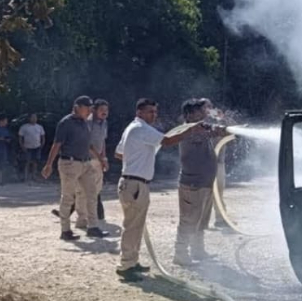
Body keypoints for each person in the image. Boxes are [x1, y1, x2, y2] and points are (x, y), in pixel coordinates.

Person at [114, 99, 208, 281]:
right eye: (150, 112)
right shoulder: (141, 129)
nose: (153, 115)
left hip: (132, 183)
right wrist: (192, 129)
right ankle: (126, 266)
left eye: (155, 112)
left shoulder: (132, 128)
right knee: (132, 227)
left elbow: (119, 153)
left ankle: (132, 262)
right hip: (135, 184)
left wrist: (136, 158)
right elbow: (167, 141)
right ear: (139, 112)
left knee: (135, 226)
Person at [42, 96, 107, 241]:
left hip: (85, 163)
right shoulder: (66, 123)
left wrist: (101, 159)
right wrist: (48, 164)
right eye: (87, 107)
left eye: (91, 107)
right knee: (68, 197)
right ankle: (65, 231)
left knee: (92, 194)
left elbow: (89, 145)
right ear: (77, 107)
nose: (90, 110)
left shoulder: (84, 123)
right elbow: (57, 144)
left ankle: (93, 227)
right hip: (69, 164)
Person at [174, 98, 226, 266]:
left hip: (205, 182)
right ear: (189, 114)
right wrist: (218, 129)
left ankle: (198, 251)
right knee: (189, 220)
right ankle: (180, 254)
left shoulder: (201, 128)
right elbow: (209, 133)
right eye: (199, 111)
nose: (204, 114)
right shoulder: (187, 130)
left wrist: (223, 124)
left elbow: (216, 131)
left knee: (202, 219)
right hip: (193, 184)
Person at [87, 99, 111, 222]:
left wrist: (104, 158)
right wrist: (100, 158)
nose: (104, 112)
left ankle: (95, 212)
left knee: (97, 186)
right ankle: (93, 214)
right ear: (95, 110)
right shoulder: (89, 122)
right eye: (101, 110)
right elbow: (88, 144)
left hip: (98, 159)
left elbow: (103, 142)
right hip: (88, 159)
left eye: (106, 110)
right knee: (89, 187)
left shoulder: (104, 123)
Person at [18, 114, 45, 183]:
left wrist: (42, 144)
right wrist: (22, 146)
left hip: (37, 147)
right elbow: (20, 137)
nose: (34, 119)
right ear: (29, 118)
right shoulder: (24, 127)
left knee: (35, 162)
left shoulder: (39, 127)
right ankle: (26, 177)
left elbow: (42, 136)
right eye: (32, 117)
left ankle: (34, 176)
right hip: (27, 147)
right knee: (27, 162)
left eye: (35, 118)